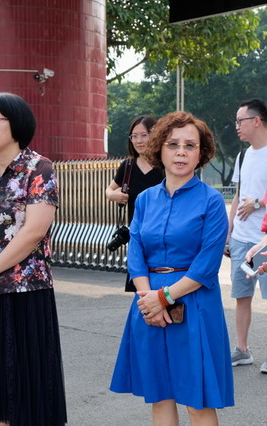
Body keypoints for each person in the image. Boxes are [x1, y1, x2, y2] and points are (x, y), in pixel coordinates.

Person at [110, 111, 234, 424]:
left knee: (198, 401)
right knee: (160, 395)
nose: (181, 151)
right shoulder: (146, 199)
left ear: (201, 153)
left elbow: (206, 265)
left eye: (190, 145)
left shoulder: (211, 201)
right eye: (173, 144)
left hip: (194, 303)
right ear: (159, 149)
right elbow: (136, 250)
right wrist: (148, 299)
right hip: (148, 301)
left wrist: (163, 297)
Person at [0, 92, 67, 425]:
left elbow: (33, 232)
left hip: (25, 292)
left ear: (16, 122)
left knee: (27, 388)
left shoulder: (39, 168)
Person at [225, 98, 267, 369]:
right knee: (242, 295)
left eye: (240, 121)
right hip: (241, 238)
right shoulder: (242, 156)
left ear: (256, 120)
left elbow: (253, 199)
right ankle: (242, 349)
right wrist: (228, 235)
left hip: (264, 240)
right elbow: (238, 196)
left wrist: (259, 203)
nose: (237, 126)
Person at [105, 116, 164, 291]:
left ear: (155, 135)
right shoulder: (128, 165)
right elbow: (109, 190)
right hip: (137, 236)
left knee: (161, 285)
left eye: (144, 135)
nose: (138, 141)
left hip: (163, 235)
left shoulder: (165, 164)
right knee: (141, 286)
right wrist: (114, 195)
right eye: (134, 136)